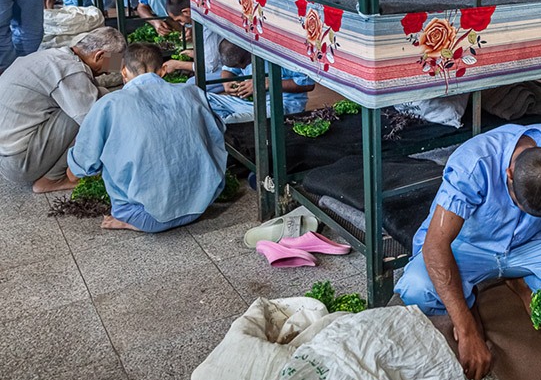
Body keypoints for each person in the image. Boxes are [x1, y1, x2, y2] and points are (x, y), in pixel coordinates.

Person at [395, 124, 541, 380]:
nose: (521, 212)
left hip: (528, 240)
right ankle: (470, 302)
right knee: (416, 288)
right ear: (509, 174)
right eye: (518, 204)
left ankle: (523, 283)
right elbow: (436, 245)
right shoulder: (474, 163)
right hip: (470, 246)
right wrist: (465, 328)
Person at [67, 43, 227, 232]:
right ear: (163, 71)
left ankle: (129, 223)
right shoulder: (191, 92)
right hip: (202, 204)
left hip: (146, 216)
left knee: (106, 151)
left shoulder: (110, 103)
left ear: (124, 72)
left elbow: (81, 167)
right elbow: (218, 133)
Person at [0, 27, 125, 192]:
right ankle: (52, 179)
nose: (109, 71)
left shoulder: (56, 56)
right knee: (95, 113)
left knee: (97, 96)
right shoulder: (70, 71)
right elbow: (95, 123)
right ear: (99, 55)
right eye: (112, 63)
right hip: (19, 162)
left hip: (8, 157)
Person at [205, 43, 315, 123]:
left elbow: (308, 84)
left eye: (243, 62)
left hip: (281, 105)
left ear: (248, 49)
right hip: (245, 102)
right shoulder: (238, 51)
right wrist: (228, 83)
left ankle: (229, 119)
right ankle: (228, 118)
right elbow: (227, 70)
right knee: (201, 98)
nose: (242, 67)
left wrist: (267, 83)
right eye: (237, 66)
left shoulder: (282, 54)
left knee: (229, 122)